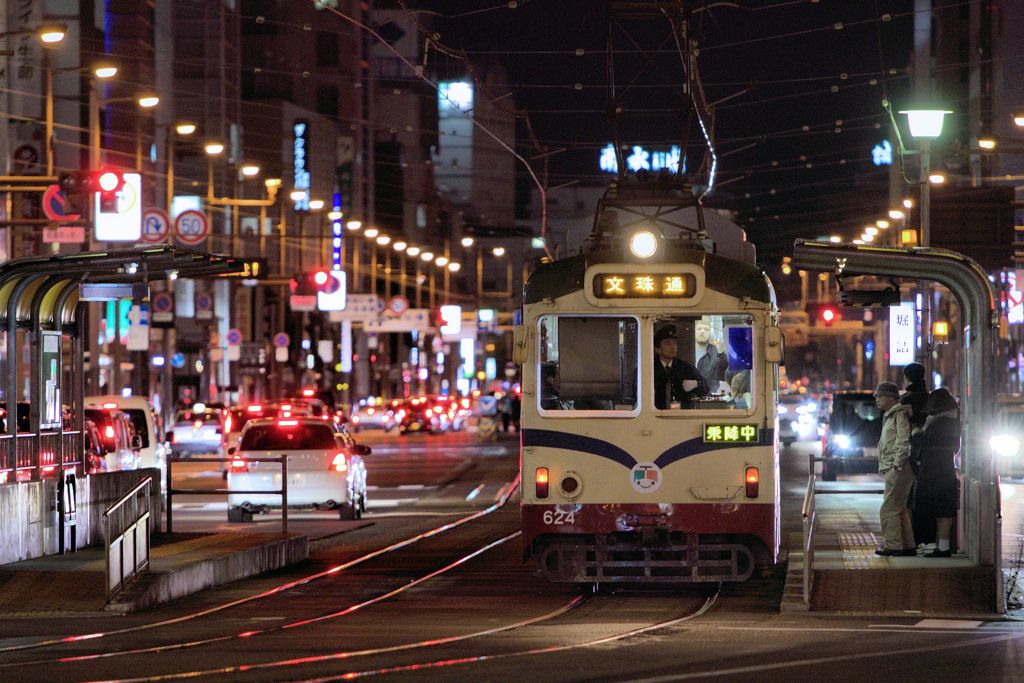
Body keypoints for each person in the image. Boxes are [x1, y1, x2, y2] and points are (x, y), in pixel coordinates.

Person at [910, 388, 961, 558]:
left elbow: (926, 444)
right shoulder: (954, 421)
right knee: (944, 510)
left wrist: (916, 434)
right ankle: (943, 547)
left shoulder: (938, 423)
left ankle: (933, 545)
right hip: (946, 470)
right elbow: (954, 446)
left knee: (928, 508)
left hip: (932, 472)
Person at [873, 381, 917, 556]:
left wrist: (897, 464)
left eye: (879, 396)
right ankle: (907, 546)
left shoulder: (899, 415)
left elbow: (903, 439)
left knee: (889, 508)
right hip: (895, 467)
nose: (876, 400)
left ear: (891, 398)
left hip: (898, 467)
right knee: (899, 507)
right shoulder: (891, 415)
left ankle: (893, 546)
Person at [900, 362, 930, 543]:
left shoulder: (905, 400)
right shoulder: (929, 398)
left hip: (911, 452)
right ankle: (926, 538)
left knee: (909, 498)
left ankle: (912, 539)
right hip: (929, 452)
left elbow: (902, 429)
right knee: (925, 497)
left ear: (907, 378)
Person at [653, 325, 709, 409]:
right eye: (667, 343)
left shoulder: (685, 368)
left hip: (681, 416)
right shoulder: (649, 369)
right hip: (655, 416)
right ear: (657, 349)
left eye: (675, 343)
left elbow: (706, 387)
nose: (673, 347)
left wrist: (697, 384)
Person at [695, 319, 729, 388]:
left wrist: (721, 353)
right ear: (694, 331)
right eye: (699, 329)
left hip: (710, 394)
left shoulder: (716, 352)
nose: (702, 331)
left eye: (706, 329)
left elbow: (722, 377)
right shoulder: (686, 350)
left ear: (710, 332)